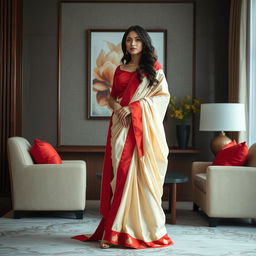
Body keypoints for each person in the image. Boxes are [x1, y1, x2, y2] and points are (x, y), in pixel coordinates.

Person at [72, 25, 173, 249]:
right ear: (125, 43)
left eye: (137, 39)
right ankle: (114, 228)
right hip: (120, 126)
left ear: (144, 42)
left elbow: (161, 98)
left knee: (134, 176)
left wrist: (135, 108)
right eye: (129, 40)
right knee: (120, 175)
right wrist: (118, 106)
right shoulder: (120, 69)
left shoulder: (153, 69)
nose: (133, 43)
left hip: (140, 129)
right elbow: (112, 97)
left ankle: (119, 232)